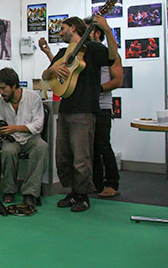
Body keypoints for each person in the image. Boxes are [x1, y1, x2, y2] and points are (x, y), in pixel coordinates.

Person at [42, 15, 117, 212]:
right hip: (66, 109)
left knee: (81, 157)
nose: (60, 32)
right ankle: (73, 191)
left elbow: (112, 56)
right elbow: (45, 76)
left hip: (85, 109)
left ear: (74, 28)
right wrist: (54, 68)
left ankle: (83, 195)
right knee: (63, 156)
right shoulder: (62, 52)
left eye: (63, 28)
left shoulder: (92, 49)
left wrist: (107, 31)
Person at [0, 67, 48, 208]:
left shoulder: (33, 98)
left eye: (3, 88)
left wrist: (15, 128)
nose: (0, 92)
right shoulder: (1, 102)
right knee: (8, 151)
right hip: (12, 138)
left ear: (14, 86)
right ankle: (9, 191)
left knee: (42, 147)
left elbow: (38, 125)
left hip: (31, 138)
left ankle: (30, 193)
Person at [85, 18, 123, 198]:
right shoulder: (85, 54)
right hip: (88, 106)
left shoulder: (110, 55)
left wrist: (96, 89)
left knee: (103, 144)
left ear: (97, 33)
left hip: (103, 106)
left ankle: (112, 183)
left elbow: (117, 80)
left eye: (88, 31)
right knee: (91, 147)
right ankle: (97, 183)